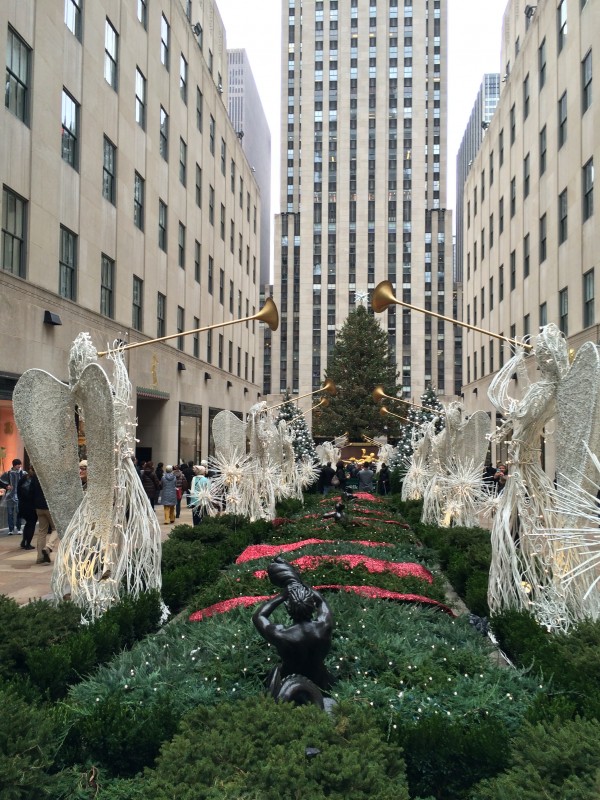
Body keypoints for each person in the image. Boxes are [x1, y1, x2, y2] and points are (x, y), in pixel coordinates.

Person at [252, 557, 334, 695]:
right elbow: (321, 601)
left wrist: (283, 595)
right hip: (322, 681)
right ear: (312, 603)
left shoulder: (282, 635)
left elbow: (258, 616)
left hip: (288, 683)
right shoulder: (324, 626)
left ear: (287, 606)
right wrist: (299, 584)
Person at [30, 468, 54, 564]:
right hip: (50, 506)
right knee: (56, 529)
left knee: (42, 531)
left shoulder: (36, 476)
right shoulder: (52, 474)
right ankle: (48, 547)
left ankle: (39, 557)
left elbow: (31, 491)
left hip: (38, 507)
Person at [0, 458, 26, 535]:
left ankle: (19, 528)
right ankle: (11, 529)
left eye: (20, 464)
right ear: (14, 465)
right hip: (10, 496)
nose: (20, 466)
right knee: (10, 513)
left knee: (19, 513)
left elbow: (28, 481)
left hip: (20, 496)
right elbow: (0, 481)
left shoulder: (23, 473)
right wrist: (6, 486)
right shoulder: (8, 473)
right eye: (18, 465)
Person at [17, 465, 36, 550]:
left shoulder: (23, 478)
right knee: (31, 524)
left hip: (22, 505)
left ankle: (24, 541)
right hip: (31, 506)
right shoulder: (34, 480)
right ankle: (27, 543)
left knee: (28, 524)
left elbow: (18, 491)